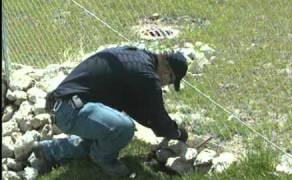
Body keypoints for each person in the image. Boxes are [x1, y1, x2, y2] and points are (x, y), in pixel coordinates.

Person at [32, 46, 189, 177]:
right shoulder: (147, 76)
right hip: (70, 110)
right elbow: (157, 116)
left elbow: (139, 110)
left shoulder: (139, 59)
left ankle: (48, 150)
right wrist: (178, 133)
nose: (166, 85)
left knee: (104, 140)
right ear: (167, 72)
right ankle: (104, 160)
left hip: (64, 106)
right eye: (170, 81)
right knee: (123, 128)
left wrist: (166, 129)